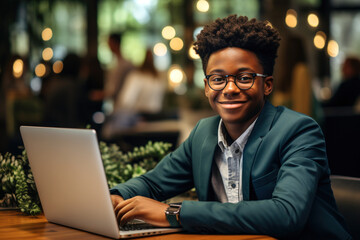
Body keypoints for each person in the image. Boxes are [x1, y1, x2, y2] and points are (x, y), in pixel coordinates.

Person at [110, 15, 351, 239]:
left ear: (267, 85)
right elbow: (153, 183)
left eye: (244, 78)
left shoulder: (299, 131)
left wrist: (174, 213)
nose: (230, 88)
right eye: (218, 79)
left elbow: (286, 214)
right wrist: (115, 196)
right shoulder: (202, 134)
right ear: (206, 87)